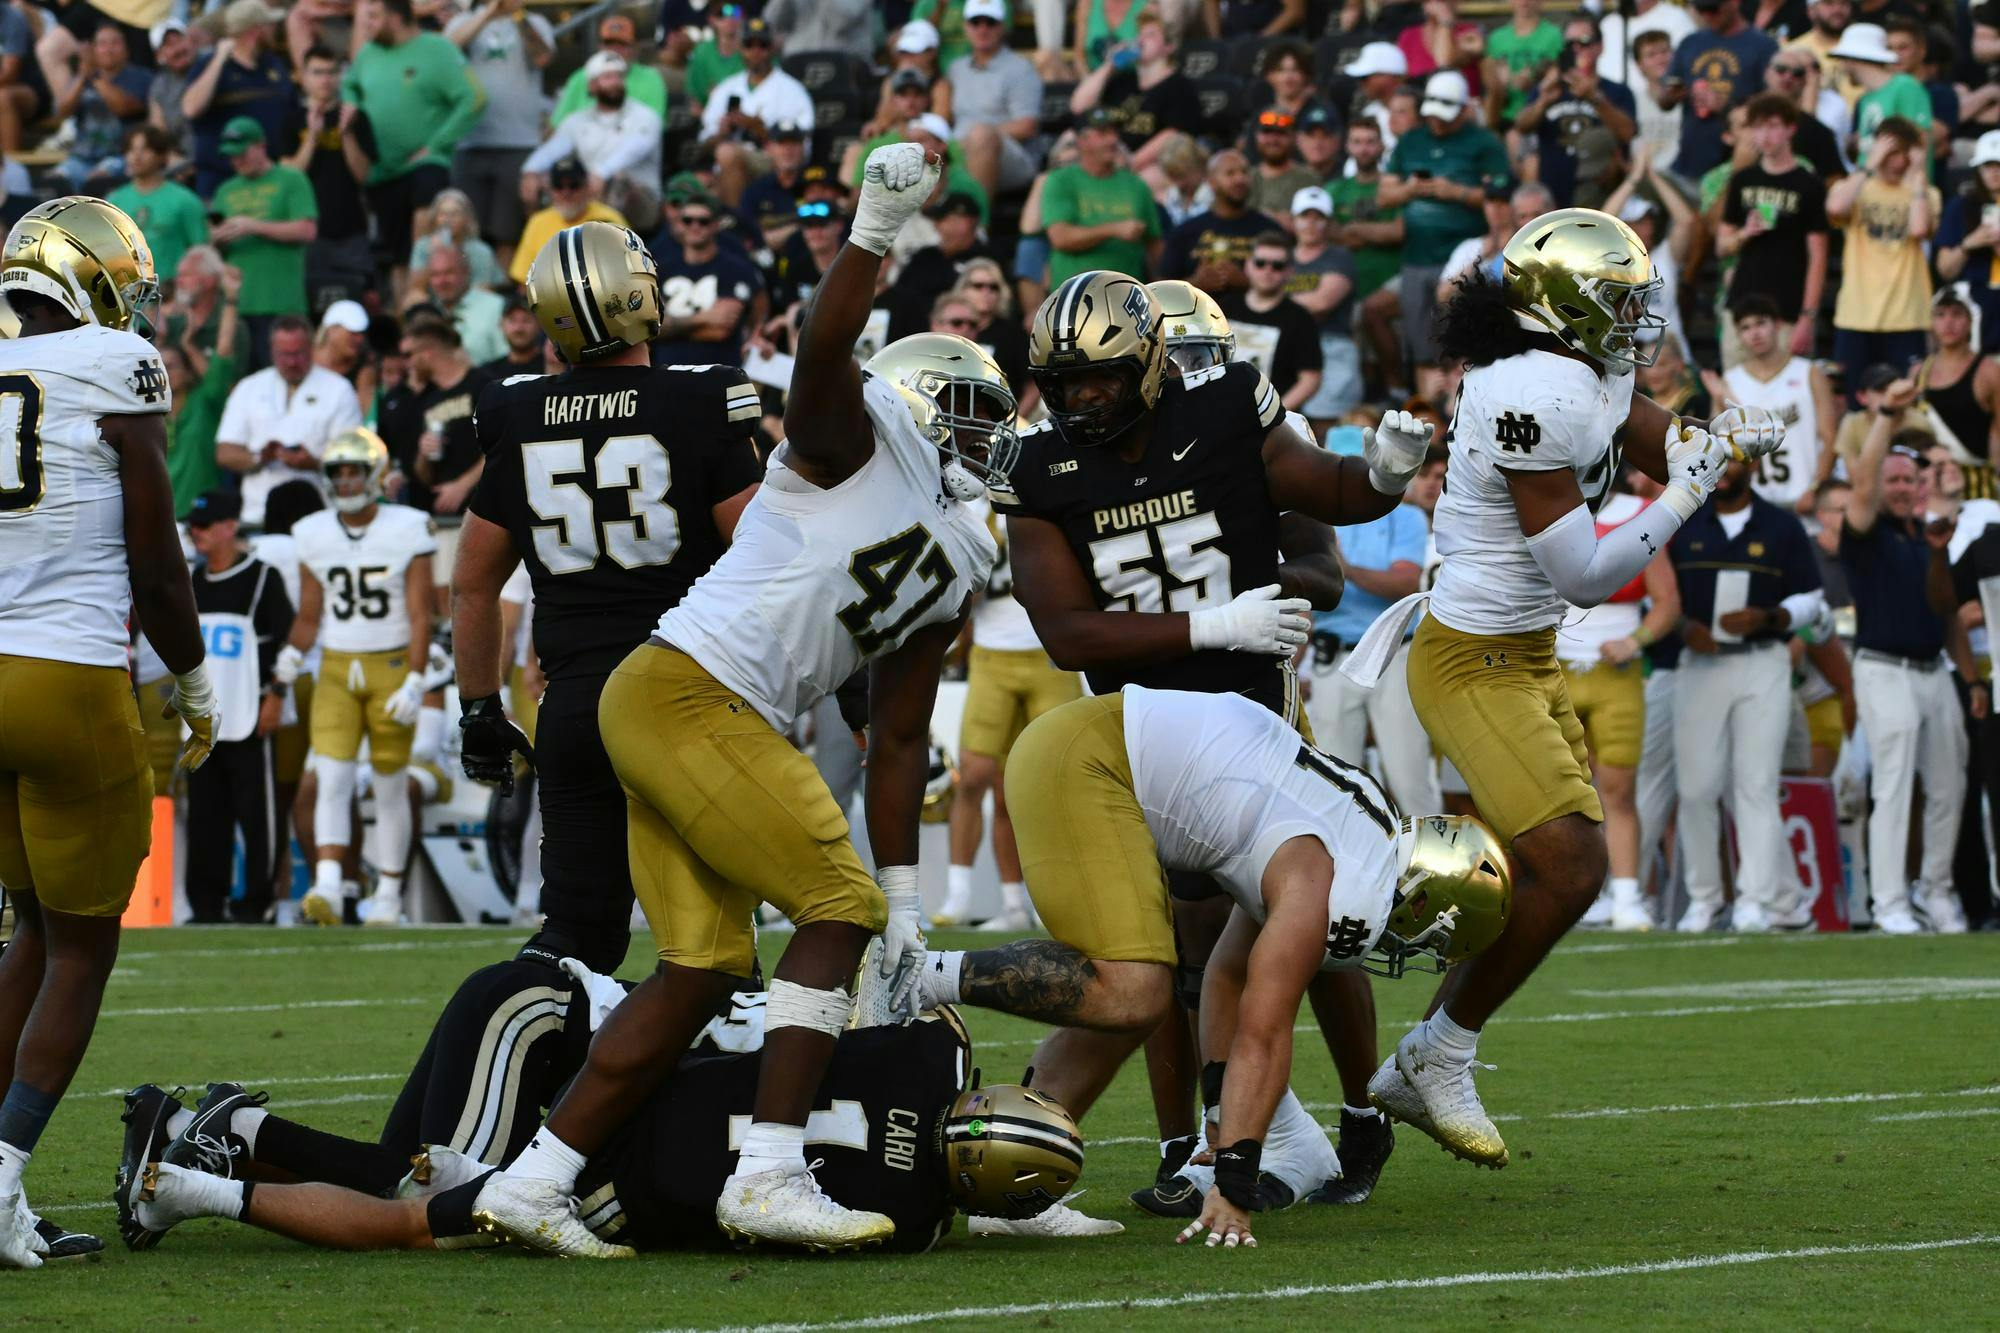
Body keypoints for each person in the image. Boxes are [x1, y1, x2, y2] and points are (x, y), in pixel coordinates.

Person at [469, 145, 1000, 1255]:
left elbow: (898, 730)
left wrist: (907, 896)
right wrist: (873, 228)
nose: (980, 432)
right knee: (830, 908)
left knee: (703, 969)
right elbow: (818, 348)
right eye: (961, 408)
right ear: (908, 402)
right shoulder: (855, 444)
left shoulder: (962, 551)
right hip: (685, 692)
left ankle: (533, 1181)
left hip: (678, 703)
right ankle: (766, 1171)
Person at [1342, 209, 1783, 1168]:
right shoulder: (1528, 390)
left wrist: (1729, 440)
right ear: (1569, 305)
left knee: (1552, 867)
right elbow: (1586, 570)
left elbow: (1665, 436)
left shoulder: (1577, 368)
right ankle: (1436, 1050)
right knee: (1573, 863)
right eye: (1620, 300)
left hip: (1528, 653)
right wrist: (1686, 492)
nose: (1636, 319)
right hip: (1470, 657)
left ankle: (1423, 1050)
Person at [992, 269, 1425, 1206]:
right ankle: (1201, 1140)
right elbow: (1067, 631)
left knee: (1307, 932)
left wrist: (1383, 477)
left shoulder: (1229, 409)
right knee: (1169, 954)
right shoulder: (1037, 466)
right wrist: (1213, 624)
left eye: (1098, 377)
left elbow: (1323, 517)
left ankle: (1339, 1115)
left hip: (1248, 722)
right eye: (1061, 383)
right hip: (1136, 731)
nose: (1078, 400)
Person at [905, 687, 1511, 1249]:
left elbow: (1227, 976)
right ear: (1425, 894)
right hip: (1087, 763)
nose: (1410, 949)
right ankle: (916, 975)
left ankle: (1008, 1192)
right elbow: (1264, 1032)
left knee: (1143, 983)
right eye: (1431, 935)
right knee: (1136, 989)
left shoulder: (1370, 832)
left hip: (1092, 747)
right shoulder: (1335, 884)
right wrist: (1236, 1182)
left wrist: (1222, 1119)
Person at [122, 1002, 1089, 1255]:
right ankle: (196, 1178)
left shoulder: (930, 1053)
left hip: (611, 1097)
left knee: (410, 1185)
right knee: (408, 1216)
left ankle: (220, 1146)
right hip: (616, 1187)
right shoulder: (915, 1220)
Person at [453, 220, 761, 995]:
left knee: (576, 934)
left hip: (577, 704)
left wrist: (480, 708)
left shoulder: (515, 411)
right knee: (715, 945)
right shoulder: (702, 396)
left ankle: (519, 1080)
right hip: (681, 697)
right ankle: (734, 1107)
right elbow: (765, 559)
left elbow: (472, 582)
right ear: (643, 297)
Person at [0, 196, 215, 1268]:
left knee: (31, 932)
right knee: (83, 943)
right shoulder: (118, 359)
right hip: (67, 673)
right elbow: (155, 553)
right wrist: (191, 672)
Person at [277, 428, 437, 929]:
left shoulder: (408, 526)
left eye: (354, 471)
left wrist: (416, 678)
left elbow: (420, 615)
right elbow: (309, 613)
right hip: (336, 666)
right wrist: (288, 655)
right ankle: (327, 884)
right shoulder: (313, 532)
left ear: (376, 475)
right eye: (337, 473)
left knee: (389, 785)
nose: (345, 482)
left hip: (391, 664)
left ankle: (388, 895)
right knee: (332, 776)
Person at [1666, 458, 1825, 931]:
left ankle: (1755, 900)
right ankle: (1705, 899)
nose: (1727, 468)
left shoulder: (1781, 525)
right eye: (1720, 458)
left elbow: (1811, 598)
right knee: (1696, 788)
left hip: (1763, 661)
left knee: (1755, 783)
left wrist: (1770, 617)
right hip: (1700, 664)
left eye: (1735, 458)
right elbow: (1663, 596)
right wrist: (1681, 628)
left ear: (1752, 465)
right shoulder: (1685, 519)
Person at [1840, 377, 1974, 933]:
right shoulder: (1865, 533)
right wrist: (1884, 419)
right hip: (1882, 667)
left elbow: (1948, 619)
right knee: (1893, 782)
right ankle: (1890, 900)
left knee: (1949, 783)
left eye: (1909, 479)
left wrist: (1973, 681)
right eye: (1894, 478)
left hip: (1931, 670)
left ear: (1922, 485)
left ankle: (1936, 890)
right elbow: (1865, 483)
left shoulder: (1930, 539)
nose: (1899, 487)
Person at [936, 476, 1080, 932]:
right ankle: (963, 896)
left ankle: (1039, 901)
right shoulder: (976, 510)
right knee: (975, 775)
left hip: (1051, 656)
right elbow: (965, 592)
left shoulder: (1054, 499)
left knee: (1042, 787)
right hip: (994, 655)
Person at [1560, 478, 1678, 933]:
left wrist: (1635, 640)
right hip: (1558, 667)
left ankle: (1626, 893)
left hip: (1616, 672)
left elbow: (1667, 602)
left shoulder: (1638, 512)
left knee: (1618, 788)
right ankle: (1574, 892)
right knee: (1563, 793)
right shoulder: (1550, 506)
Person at [184, 490, 294, 924]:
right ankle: (206, 905)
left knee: (257, 816)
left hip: (250, 713)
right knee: (205, 817)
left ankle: (258, 901)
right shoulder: (191, 582)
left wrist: (276, 695)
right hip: (204, 721)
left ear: (230, 527)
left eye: (206, 526)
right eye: (193, 526)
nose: (198, 534)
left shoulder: (262, 578)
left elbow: (287, 641)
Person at [1377, 71, 1512, 402]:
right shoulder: (1412, 140)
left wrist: (1458, 193)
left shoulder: (1483, 142)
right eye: (1432, 114)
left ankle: (1462, 401)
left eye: (1444, 116)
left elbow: (1502, 193)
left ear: (1464, 110)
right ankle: (1428, 408)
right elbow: (1384, 195)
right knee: (1421, 340)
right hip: (1416, 254)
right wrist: (1410, 189)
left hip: (1463, 251)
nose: (1436, 122)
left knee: (1456, 334)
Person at [341, 0, 482, 285]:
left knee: (423, 224)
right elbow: (349, 85)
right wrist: (351, 106)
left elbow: (474, 98)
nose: (367, 25)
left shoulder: (438, 49)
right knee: (397, 259)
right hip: (383, 169)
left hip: (426, 162)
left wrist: (437, 144)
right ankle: (405, 315)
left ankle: (423, 289)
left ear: (395, 18)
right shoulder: (367, 53)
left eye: (373, 17)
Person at [214, 316, 364, 526]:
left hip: (321, 515)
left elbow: (352, 459)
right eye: (284, 354)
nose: (292, 362)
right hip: (258, 516)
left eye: (298, 353)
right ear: (271, 350)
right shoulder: (249, 387)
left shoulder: (339, 389)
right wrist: (260, 457)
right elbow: (225, 452)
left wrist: (312, 462)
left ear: (312, 348)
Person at [1827, 118, 1936, 403]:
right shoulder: (1856, 186)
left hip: (1907, 316)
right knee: (1854, 400)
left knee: (1907, 401)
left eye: (1900, 151)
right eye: (1888, 149)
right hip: (1857, 315)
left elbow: (1919, 229)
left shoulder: (1924, 193)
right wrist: (1867, 164)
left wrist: (1918, 175)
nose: (1894, 159)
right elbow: (1836, 207)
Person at [1718, 94, 1830, 361]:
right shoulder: (1743, 180)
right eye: (1758, 127)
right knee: (1734, 397)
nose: (1765, 135)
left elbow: (1819, 257)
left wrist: (1808, 317)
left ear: (1790, 129)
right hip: (1741, 309)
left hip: (1787, 312)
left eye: (1773, 126)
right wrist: (1745, 233)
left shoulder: (1809, 184)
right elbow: (1722, 247)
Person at [445, 0, 552, 270]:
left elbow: (542, 57)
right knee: (466, 232)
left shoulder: (535, 23)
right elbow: (446, 51)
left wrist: (517, 15)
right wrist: (489, 13)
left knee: (508, 232)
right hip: (470, 142)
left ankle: (502, 297)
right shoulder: (463, 22)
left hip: (519, 142)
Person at [211, 116, 318, 358]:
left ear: (261, 146)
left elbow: (307, 230)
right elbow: (212, 244)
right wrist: (216, 238)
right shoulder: (225, 190)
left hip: (281, 302)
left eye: (243, 153)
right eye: (231, 155)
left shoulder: (291, 179)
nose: (237, 160)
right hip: (236, 305)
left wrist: (253, 226)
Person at [1720, 295, 1840, 509]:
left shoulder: (1809, 373)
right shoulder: (1729, 382)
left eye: (1760, 323)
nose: (1755, 333)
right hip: (1754, 505)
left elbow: (1830, 438)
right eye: (1746, 328)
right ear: (1738, 335)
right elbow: (1724, 451)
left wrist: (1817, 488)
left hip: (1807, 499)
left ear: (1777, 325)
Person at [522, 51, 664, 233]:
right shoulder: (578, 120)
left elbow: (634, 149)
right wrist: (530, 170)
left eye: (618, 77)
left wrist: (601, 174)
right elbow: (553, 149)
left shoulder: (646, 116)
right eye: (607, 77)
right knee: (549, 181)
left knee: (617, 182)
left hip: (641, 197)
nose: (615, 82)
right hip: (591, 193)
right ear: (592, 86)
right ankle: (539, 240)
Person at [280, 48, 374, 313]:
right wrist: (311, 136)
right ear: (303, 77)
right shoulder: (292, 121)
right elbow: (290, 177)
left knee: (358, 306)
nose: (325, 79)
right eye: (318, 72)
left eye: (332, 72)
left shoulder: (356, 118)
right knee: (310, 307)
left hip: (351, 230)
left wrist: (346, 134)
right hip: (310, 234)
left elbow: (363, 175)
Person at [1513, 13, 1637, 209]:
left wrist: (1596, 98)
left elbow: (1628, 133)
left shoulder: (1617, 91)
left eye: (1585, 41)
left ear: (1600, 47)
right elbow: (1521, 126)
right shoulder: (1549, 88)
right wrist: (1542, 101)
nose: (1577, 48)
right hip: (1553, 194)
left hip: (1601, 193)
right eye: (1570, 43)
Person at [179, 0, 296, 198]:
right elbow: (191, 108)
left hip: (271, 181)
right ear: (255, 31)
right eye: (269, 24)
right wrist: (219, 58)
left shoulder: (273, 64)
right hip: (221, 183)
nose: (275, 29)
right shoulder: (210, 65)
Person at [698, 17, 814, 207]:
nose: (756, 52)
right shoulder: (726, 88)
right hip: (723, 164)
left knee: (728, 154)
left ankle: (737, 225)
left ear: (772, 49)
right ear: (740, 49)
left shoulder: (792, 90)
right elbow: (704, 143)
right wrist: (722, 131)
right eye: (749, 45)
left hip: (772, 160)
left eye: (762, 45)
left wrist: (759, 129)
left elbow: (802, 147)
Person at [1067, 12, 1197, 180]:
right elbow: (1078, 106)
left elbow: (1172, 135)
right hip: (1107, 156)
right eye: (1139, 35)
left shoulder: (1179, 86)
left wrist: (1130, 163)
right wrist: (1110, 65)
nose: (1140, 40)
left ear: (1169, 46)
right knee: (1068, 139)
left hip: (1147, 165)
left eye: (1150, 35)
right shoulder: (1122, 81)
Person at [1041, 108, 1160, 287]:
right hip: (1073, 297)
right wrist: (1113, 229)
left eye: (1114, 132)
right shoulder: (1060, 181)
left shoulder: (1136, 185)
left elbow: (1155, 246)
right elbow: (1061, 237)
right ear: (1081, 141)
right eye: (1103, 133)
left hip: (1126, 299)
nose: (1113, 139)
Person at [1667, 0, 1779, 181]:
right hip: (1690, 161)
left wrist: (1727, 104)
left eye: (1713, 8)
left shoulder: (1763, 45)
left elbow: (1774, 104)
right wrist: (1673, 93)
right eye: (1701, 9)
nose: (1707, 15)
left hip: (1738, 162)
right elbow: (1664, 98)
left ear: (1735, 3)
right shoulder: (1690, 42)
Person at [163, 264, 243, 518]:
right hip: (160, 520)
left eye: (172, 366)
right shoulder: (149, 411)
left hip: (202, 518)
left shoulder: (205, 402)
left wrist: (231, 299)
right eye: (159, 367)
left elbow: (223, 352)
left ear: (188, 372)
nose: (164, 372)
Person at [1216, 232, 1323, 413]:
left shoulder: (1300, 318)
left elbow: (1310, 378)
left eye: (1277, 266)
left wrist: (1273, 414)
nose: (1268, 270)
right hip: (1220, 410)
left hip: (1274, 425)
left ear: (1289, 271)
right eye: (1260, 263)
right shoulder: (1224, 308)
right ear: (1248, 265)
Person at [650, 194, 761, 367]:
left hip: (719, 376)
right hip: (667, 376)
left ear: (716, 225)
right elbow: (652, 327)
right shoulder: (661, 269)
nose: (695, 227)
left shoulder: (735, 269)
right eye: (688, 220)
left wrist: (673, 328)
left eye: (703, 221)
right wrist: (705, 318)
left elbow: (722, 330)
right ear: (679, 224)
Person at [948, 0, 1043, 200]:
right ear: (966, 27)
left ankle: (978, 225)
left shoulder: (1020, 68)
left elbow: (1027, 126)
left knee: (982, 136)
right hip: (959, 149)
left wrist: (973, 139)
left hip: (1011, 155)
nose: (983, 29)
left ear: (1003, 26)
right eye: (976, 22)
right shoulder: (956, 69)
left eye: (990, 22)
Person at [1159, 150, 1284, 291]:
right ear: (1211, 182)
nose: (1240, 179)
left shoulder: (1270, 230)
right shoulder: (1185, 231)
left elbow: (1289, 287)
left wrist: (1246, 282)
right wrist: (1195, 284)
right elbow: (1162, 289)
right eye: (1230, 173)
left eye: (1244, 172)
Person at [51, 23, 149, 193]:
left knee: (96, 183)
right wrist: (83, 76)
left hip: (120, 156)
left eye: (115, 43)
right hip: (81, 157)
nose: (109, 49)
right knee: (53, 182)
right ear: (93, 50)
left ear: (127, 50)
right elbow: (62, 112)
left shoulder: (141, 77)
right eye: (102, 44)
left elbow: (123, 108)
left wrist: (94, 76)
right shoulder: (82, 79)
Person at [108, 124, 206, 283]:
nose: (136, 156)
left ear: (162, 156)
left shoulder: (185, 200)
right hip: (127, 298)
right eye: (131, 150)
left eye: (145, 149)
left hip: (172, 299)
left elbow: (202, 253)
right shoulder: (114, 202)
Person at [510, 156, 627, 286]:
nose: (566, 193)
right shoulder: (537, 222)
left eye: (574, 186)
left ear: (587, 187)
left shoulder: (609, 220)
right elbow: (523, 281)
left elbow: (625, 274)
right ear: (550, 190)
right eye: (558, 186)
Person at [1933, 131, 2000, 357]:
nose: (1994, 172)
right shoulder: (1961, 206)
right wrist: (1970, 243)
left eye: (1999, 165)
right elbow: (1945, 268)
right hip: (1976, 309)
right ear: (1977, 169)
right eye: (1988, 165)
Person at [1918, 285, 2000, 469]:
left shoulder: (1989, 372)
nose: (1948, 322)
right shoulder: (1918, 373)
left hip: (1979, 481)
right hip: (1931, 478)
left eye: (1956, 314)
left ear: (1970, 321)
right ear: (1931, 322)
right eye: (1940, 315)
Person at [548, 12, 665, 126]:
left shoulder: (651, 79)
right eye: (609, 43)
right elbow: (558, 124)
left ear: (634, 47)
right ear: (599, 47)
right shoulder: (580, 77)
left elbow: (651, 127)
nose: (614, 49)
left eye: (622, 44)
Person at [1833, 21, 1928, 148]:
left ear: (1851, 60)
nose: (1842, 66)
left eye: (1842, 59)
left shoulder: (1905, 87)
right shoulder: (1864, 99)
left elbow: (1918, 144)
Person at [413, 243, 506, 367]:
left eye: (449, 273)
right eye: (435, 275)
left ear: (466, 273)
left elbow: (508, 361)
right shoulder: (427, 314)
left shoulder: (495, 307)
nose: (442, 281)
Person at [1247, 110, 1319, 225]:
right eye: (1267, 132)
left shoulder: (1308, 180)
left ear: (1294, 137)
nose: (1273, 140)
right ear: (1256, 136)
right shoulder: (1244, 179)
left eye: (1281, 133)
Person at [142, 18, 194, 164]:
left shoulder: (209, 65)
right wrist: (171, 157)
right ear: (159, 56)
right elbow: (158, 132)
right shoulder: (159, 86)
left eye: (180, 40)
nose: (178, 49)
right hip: (183, 161)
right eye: (169, 45)